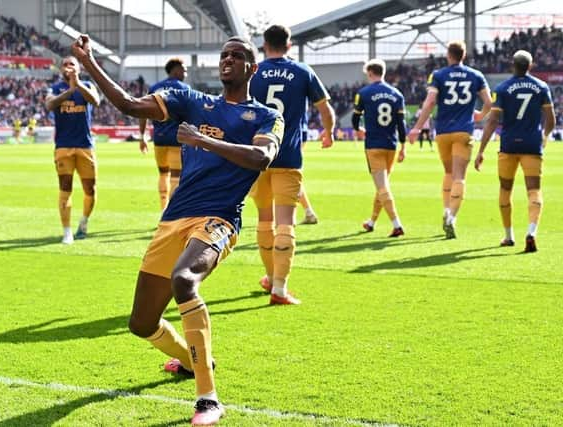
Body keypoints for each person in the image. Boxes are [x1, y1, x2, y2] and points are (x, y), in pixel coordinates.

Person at [71, 34, 283, 426]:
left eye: (238, 56)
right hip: (174, 218)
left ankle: (208, 398)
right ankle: (189, 360)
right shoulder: (193, 100)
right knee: (141, 324)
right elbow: (127, 104)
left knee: (184, 280)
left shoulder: (266, 115)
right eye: (224, 55)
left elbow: (261, 157)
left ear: (251, 68)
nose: (228, 60)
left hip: (218, 218)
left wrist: (202, 139)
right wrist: (88, 61)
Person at [249, 24, 335, 305]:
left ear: (264, 44)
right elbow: (325, 109)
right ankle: (279, 289)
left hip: (257, 156)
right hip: (288, 157)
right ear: (289, 45)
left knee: (264, 220)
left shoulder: (254, 71)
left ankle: (270, 276)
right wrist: (329, 132)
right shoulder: (302, 71)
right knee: (285, 222)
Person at [474, 50, 556, 252]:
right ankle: (531, 231)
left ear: (513, 65)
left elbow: (492, 121)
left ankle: (508, 236)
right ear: (531, 65)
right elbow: (551, 118)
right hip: (531, 145)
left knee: (505, 189)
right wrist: (544, 136)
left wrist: (481, 150)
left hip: (509, 145)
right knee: (534, 190)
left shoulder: (502, 88)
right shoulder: (541, 87)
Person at [409, 41, 492, 239]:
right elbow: (489, 102)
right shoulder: (476, 75)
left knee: (447, 172)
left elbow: (429, 102)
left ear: (449, 55)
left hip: (443, 132)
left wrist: (417, 127)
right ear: (463, 55)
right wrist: (480, 115)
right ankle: (452, 217)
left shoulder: (438, 75)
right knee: (459, 177)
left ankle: (446, 210)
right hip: (464, 131)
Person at [45, 55, 101, 244]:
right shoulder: (55, 89)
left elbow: (96, 101)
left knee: (90, 190)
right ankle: (67, 231)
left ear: (79, 69)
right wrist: (69, 90)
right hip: (63, 147)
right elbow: (49, 104)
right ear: (61, 69)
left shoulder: (87, 85)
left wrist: (77, 84)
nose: (68, 67)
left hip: (85, 146)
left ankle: (84, 221)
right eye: (65, 65)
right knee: (65, 187)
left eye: (72, 64)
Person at [352, 58, 407, 237]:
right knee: (382, 186)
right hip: (391, 145)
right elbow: (401, 124)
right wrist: (403, 146)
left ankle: (397, 224)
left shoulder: (364, 93)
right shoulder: (397, 94)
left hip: (373, 145)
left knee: (382, 186)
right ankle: (372, 221)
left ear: (370, 73)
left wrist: (359, 129)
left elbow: (355, 119)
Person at [139, 58, 191, 210]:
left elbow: (142, 111)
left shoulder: (154, 88)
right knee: (176, 176)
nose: (185, 73)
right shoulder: (184, 88)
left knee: (163, 174)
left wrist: (142, 135)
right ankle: (172, 213)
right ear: (175, 70)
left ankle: (163, 210)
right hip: (177, 139)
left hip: (159, 139)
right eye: (184, 70)